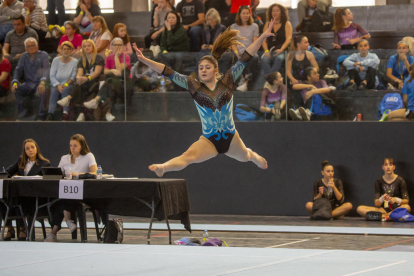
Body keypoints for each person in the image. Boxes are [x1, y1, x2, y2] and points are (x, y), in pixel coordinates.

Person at [132, 20, 275, 178]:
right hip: (209, 140)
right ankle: (163, 167)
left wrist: (263, 36)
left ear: (215, 70)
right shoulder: (193, 86)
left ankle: (254, 156)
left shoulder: (227, 80)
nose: (203, 70)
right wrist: (145, 60)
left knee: (245, 156)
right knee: (188, 157)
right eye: (201, 68)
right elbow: (168, 72)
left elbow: (246, 57)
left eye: (207, 67)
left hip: (231, 138)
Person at [45, 134, 97, 242]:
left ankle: (54, 232)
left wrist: (76, 174)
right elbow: (58, 174)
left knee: (63, 199)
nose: (72, 148)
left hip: (82, 192)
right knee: (59, 200)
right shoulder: (65, 158)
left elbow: (94, 172)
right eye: (70, 146)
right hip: (67, 190)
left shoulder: (88, 156)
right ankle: (65, 223)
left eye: (75, 146)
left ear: (82, 146)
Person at [4, 138, 50, 241]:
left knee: (16, 200)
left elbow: (46, 183)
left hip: (34, 196)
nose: (30, 150)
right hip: (20, 193)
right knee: (3, 201)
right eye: (27, 148)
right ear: (24, 151)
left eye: (32, 147)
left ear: (37, 148)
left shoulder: (44, 163)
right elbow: (8, 171)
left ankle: (22, 228)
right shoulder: (21, 161)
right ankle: (10, 228)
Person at [83, 38, 132, 122]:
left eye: (119, 45)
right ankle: (108, 113)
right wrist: (112, 70)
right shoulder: (109, 57)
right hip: (113, 83)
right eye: (115, 45)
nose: (117, 47)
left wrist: (116, 56)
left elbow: (120, 71)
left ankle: (96, 100)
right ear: (111, 46)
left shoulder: (125, 56)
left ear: (123, 46)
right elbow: (105, 71)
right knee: (109, 84)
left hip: (124, 84)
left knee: (109, 82)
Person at [57, 39, 104, 121]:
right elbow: (79, 73)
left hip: (96, 82)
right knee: (78, 83)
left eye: (89, 46)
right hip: (85, 82)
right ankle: (81, 113)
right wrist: (79, 78)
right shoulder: (82, 59)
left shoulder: (98, 58)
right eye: (85, 46)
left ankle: (69, 99)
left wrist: (86, 78)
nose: (87, 48)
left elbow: (96, 73)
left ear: (93, 47)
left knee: (79, 85)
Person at [11, 37, 50, 120]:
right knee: (16, 90)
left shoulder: (44, 55)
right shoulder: (23, 56)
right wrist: (15, 82)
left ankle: (41, 116)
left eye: (33, 45)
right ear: (25, 49)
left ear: (37, 47)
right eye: (28, 46)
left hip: (41, 82)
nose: (30, 48)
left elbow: (46, 70)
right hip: (29, 83)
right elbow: (18, 71)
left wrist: (42, 82)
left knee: (42, 90)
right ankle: (23, 114)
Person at [286, 35, 318, 119]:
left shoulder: (310, 55)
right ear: (299, 45)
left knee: (309, 91)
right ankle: (297, 111)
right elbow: (288, 71)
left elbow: (316, 67)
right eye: (306, 42)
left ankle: (307, 111)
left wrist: (312, 72)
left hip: (307, 81)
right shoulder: (290, 55)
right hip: (297, 82)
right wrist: (293, 79)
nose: (308, 43)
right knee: (296, 91)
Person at [230, 5, 259, 91]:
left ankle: (246, 81)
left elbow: (255, 43)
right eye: (244, 13)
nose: (246, 15)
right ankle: (239, 81)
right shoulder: (233, 27)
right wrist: (236, 53)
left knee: (254, 57)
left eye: (247, 13)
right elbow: (233, 43)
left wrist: (248, 53)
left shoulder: (254, 26)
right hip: (238, 52)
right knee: (233, 57)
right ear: (239, 14)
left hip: (250, 51)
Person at [47, 42, 78, 121]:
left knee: (65, 90)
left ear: (71, 51)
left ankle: (65, 113)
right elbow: (52, 75)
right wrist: (58, 85)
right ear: (61, 50)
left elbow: (73, 76)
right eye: (64, 49)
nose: (66, 51)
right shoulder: (56, 60)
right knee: (54, 91)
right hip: (56, 84)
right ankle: (51, 113)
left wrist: (65, 84)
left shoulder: (75, 61)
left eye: (68, 49)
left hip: (68, 84)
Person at [261, 4, 292, 75]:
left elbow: (289, 39)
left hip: (283, 50)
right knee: (264, 59)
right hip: (270, 50)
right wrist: (266, 51)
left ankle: (270, 79)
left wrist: (281, 50)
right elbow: (263, 39)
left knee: (279, 59)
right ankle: (272, 79)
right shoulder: (268, 24)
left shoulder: (287, 23)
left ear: (281, 12)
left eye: (277, 11)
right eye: (273, 11)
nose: (275, 13)